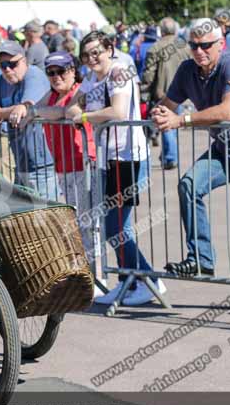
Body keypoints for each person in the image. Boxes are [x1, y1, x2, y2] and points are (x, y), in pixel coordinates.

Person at [153, 18, 230, 314]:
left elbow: (228, 111)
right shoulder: (187, 69)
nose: (199, 51)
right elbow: (167, 105)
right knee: (189, 185)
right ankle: (202, 259)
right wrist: (159, 113)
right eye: (194, 45)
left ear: (220, 44)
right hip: (225, 149)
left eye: (206, 45)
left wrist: (180, 120)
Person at [68, 31, 163, 306]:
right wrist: (77, 112)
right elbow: (72, 105)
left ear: (109, 49)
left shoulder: (119, 71)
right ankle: (128, 280)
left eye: (96, 52)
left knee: (115, 227)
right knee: (118, 227)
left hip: (128, 156)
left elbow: (118, 112)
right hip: (108, 158)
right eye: (86, 55)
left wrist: (84, 116)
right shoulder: (92, 77)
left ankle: (148, 280)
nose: (91, 59)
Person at [22, 51, 97, 255]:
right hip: (63, 166)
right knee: (75, 221)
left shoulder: (80, 90)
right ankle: (85, 266)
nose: (56, 77)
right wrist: (36, 111)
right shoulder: (53, 94)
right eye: (51, 72)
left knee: (87, 223)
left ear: (72, 71)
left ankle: (94, 270)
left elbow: (68, 112)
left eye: (61, 71)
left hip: (83, 164)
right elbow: (34, 109)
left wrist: (39, 112)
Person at [0, 40, 59, 199]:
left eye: (12, 64)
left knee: (47, 212)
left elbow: (26, 109)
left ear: (24, 61)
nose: (7, 69)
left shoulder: (34, 75)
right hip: (20, 161)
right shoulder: (3, 80)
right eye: (2, 65)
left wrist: (0, 113)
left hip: (41, 164)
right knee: (26, 212)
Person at [141, 17, 190, 170]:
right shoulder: (184, 46)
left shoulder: (155, 48)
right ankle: (168, 155)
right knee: (172, 123)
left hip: (163, 92)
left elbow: (149, 74)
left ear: (161, 31)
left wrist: (143, 90)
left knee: (166, 124)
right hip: (183, 92)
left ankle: (170, 157)